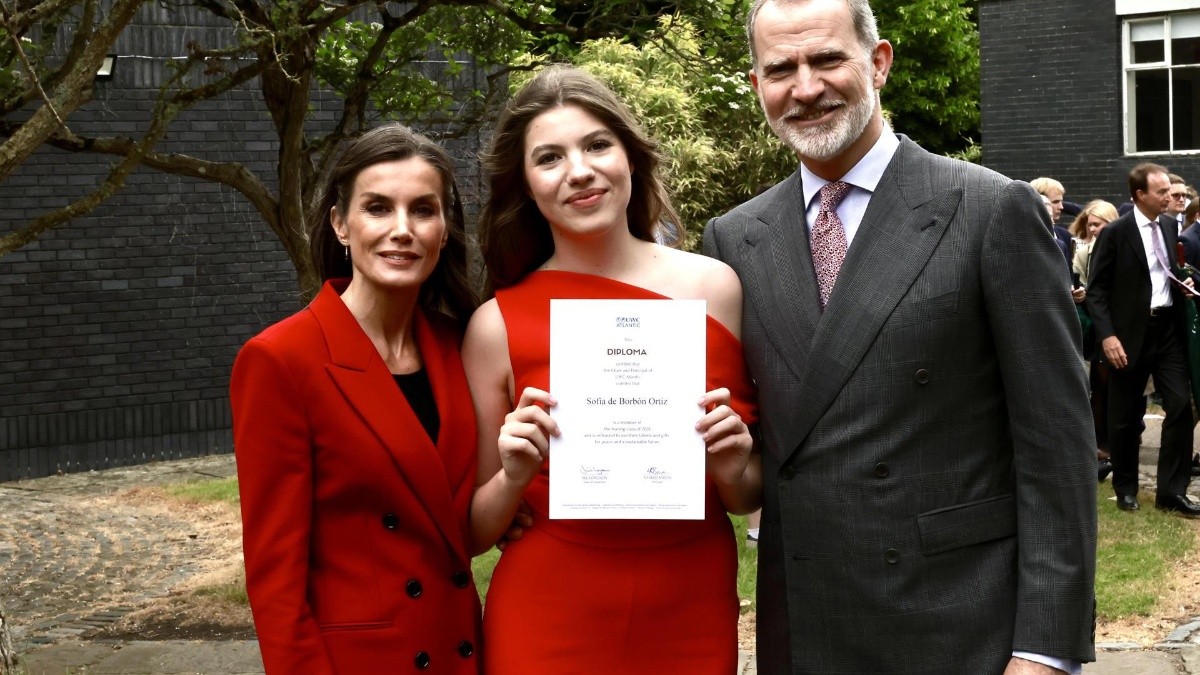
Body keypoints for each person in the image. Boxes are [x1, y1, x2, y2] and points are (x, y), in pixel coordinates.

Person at [702, 0, 1097, 672]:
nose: (805, 87)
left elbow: (1056, 448)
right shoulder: (734, 238)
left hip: (961, 623)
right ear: (756, 86)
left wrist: (1043, 649)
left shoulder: (991, 209)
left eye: (827, 59)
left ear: (877, 63)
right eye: (781, 68)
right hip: (806, 623)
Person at [464, 65, 760, 673]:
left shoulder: (716, 287)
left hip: (690, 600)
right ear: (525, 182)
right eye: (549, 158)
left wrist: (731, 463)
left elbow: (747, 494)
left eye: (597, 144)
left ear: (630, 155)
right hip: (548, 605)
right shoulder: (494, 325)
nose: (579, 171)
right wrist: (515, 474)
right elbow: (474, 529)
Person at [229, 124, 483, 673]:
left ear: (444, 228)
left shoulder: (459, 343)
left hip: (460, 647)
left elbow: (454, 521)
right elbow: (275, 578)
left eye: (422, 209)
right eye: (377, 208)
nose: (402, 230)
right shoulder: (280, 359)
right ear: (341, 224)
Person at [1086, 162, 1200, 519]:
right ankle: (1126, 488)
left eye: (1170, 190)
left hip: (1166, 331)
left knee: (1181, 404)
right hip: (1127, 335)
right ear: (1140, 195)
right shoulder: (1116, 232)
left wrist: (1184, 283)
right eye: (1163, 192)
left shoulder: (1170, 226)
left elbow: (1167, 272)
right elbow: (1097, 290)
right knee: (1124, 416)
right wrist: (1108, 336)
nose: (1171, 197)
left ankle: (1171, 491)